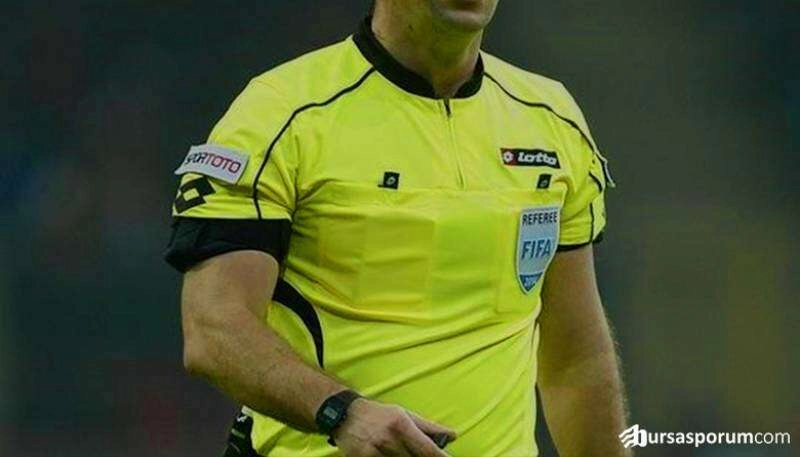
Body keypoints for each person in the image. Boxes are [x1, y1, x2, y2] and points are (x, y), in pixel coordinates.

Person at [164, 1, 629, 455]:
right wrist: (343, 413)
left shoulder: (552, 121)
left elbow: (575, 360)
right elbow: (214, 327)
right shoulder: (280, 112)